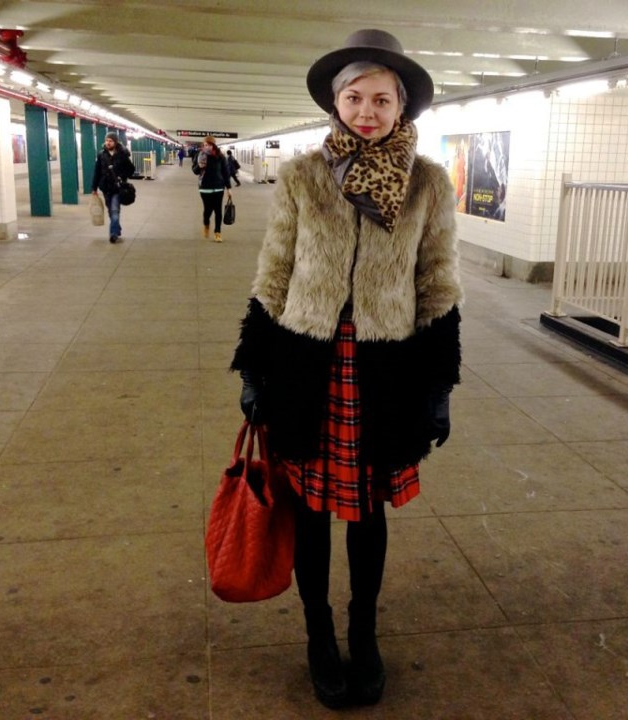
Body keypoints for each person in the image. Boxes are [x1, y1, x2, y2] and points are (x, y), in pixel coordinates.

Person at [230, 28, 462, 709]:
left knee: (366, 510)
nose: (367, 111)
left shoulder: (428, 182)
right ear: (336, 103)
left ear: (402, 106)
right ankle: (317, 634)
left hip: (386, 367)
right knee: (308, 507)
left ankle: (364, 633)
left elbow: (438, 280)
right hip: (307, 362)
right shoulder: (302, 176)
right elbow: (274, 270)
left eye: (381, 99)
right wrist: (253, 365)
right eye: (354, 97)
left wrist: (440, 382)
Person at [91, 132, 135, 244]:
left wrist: (122, 175)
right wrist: (94, 188)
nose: (108, 142)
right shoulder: (101, 155)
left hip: (117, 188)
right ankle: (117, 228)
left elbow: (131, 169)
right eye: (107, 140)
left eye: (110, 141)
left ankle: (113, 234)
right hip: (105, 187)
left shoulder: (122, 154)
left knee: (115, 210)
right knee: (111, 211)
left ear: (115, 142)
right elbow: (97, 172)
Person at [194, 136, 230, 241]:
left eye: (209, 145)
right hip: (204, 187)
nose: (207, 147)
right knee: (208, 210)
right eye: (205, 145)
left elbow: (225, 172)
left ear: (213, 145)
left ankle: (217, 232)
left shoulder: (220, 156)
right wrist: (199, 166)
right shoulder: (200, 155)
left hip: (219, 187)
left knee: (218, 210)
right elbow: (195, 171)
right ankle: (206, 224)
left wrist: (229, 188)